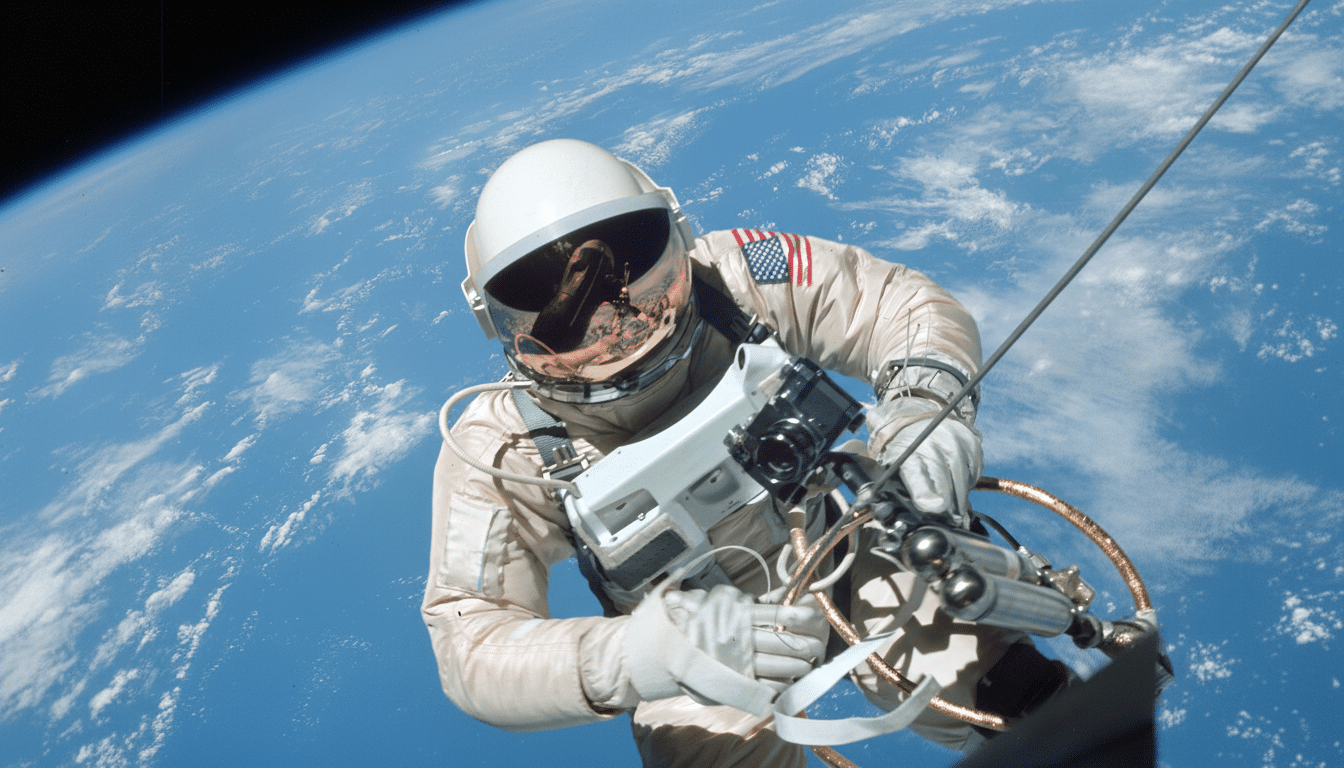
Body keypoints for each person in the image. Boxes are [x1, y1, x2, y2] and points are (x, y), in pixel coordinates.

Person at [422, 139, 1069, 767]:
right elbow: (470, 643)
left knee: (1012, 701)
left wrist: (924, 403)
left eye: (631, 288)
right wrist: (640, 655)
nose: (615, 330)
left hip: (838, 561)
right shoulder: (500, 448)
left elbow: (894, 304)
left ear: (678, 240)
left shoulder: (733, 279)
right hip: (696, 653)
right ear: (498, 323)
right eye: (570, 317)